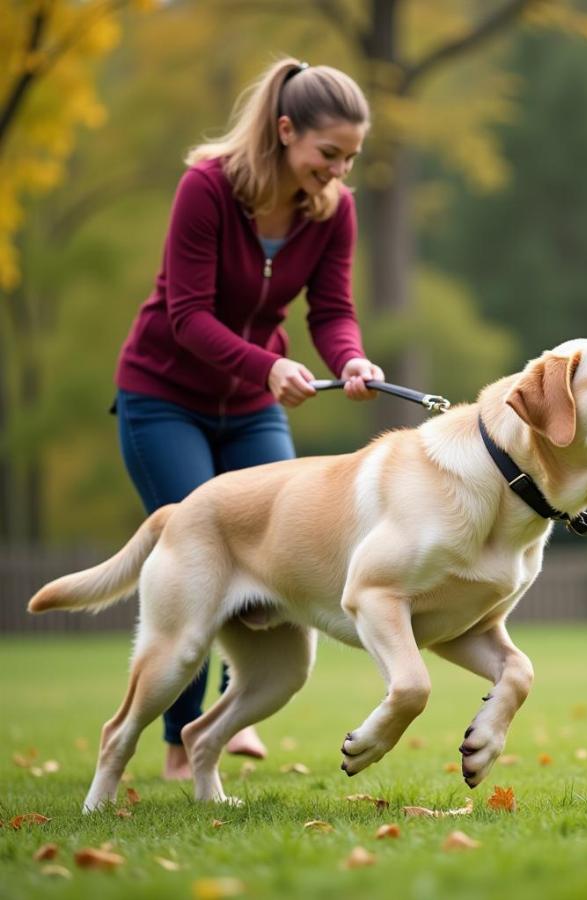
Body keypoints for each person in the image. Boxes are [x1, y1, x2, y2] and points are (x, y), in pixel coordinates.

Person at [113, 58, 383, 780]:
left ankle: (235, 711)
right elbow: (187, 315)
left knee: (278, 542)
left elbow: (331, 312)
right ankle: (177, 744)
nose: (338, 171)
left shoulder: (333, 210)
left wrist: (352, 360)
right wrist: (265, 365)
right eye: (329, 154)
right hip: (162, 396)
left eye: (351, 157)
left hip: (252, 405)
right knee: (199, 561)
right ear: (285, 130)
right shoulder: (206, 187)